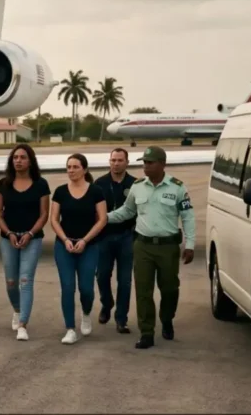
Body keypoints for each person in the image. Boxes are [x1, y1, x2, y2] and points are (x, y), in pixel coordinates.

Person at [107, 146, 195, 349]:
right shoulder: (138, 187)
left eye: (150, 163)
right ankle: (147, 332)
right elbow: (127, 211)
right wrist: (103, 218)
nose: (145, 166)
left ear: (162, 164)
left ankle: (167, 319)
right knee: (143, 291)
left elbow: (188, 217)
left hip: (168, 247)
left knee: (170, 289)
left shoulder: (177, 187)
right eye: (144, 163)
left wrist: (189, 245)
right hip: (143, 246)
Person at [0, 144, 50, 341]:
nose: (18, 160)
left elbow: (44, 215)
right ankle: (17, 310)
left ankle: (23, 324)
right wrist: (8, 233)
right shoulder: (3, 184)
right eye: (15, 157)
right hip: (8, 238)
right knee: (11, 282)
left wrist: (30, 234)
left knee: (25, 281)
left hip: (32, 239)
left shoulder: (41, 184)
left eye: (22, 157)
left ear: (30, 160)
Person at [50, 153, 107, 345]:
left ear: (85, 169)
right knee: (67, 287)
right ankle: (70, 329)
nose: (71, 170)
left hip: (89, 246)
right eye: (69, 167)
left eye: (75, 167)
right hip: (64, 246)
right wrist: (64, 239)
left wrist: (85, 240)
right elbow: (54, 220)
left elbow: (102, 219)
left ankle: (86, 312)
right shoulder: (60, 191)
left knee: (86, 289)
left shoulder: (96, 191)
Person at [93, 148, 137, 334]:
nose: (116, 163)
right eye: (113, 160)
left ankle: (121, 318)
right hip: (104, 237)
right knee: (102, 275)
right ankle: (106, 303)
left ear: (127, 162)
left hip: (127, 236)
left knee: (125, 280)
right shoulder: (100, 184)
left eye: (120, 160)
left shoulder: (135, 184)